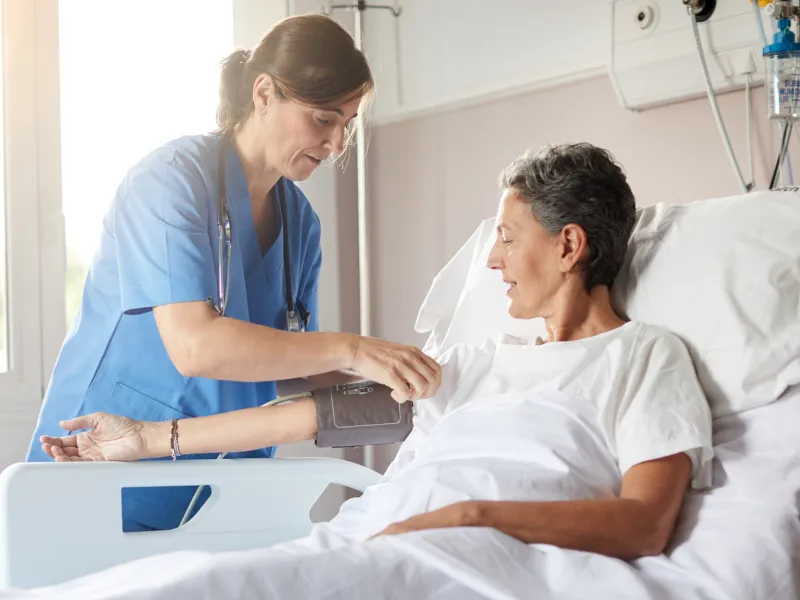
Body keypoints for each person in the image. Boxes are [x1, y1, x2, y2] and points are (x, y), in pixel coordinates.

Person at [36, 143, 714, 598]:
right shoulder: (475, 364)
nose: (492, 261)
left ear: (569, 246)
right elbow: (317, 417)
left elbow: (643, 523)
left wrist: (469, 516)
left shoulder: (644, 357)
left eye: (507, 238)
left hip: (459, 557)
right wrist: (149, 441)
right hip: (369, 539)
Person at [27, 14, 442, 533]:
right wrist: (356, 349)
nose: (338, 145)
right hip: (101, 463)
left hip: (224, 486)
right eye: (323, 119)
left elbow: (292, 364)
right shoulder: (169, 182)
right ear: (263, 93)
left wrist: (399, 381)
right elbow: (195, 346)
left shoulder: (300, 224)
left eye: (347, 124)